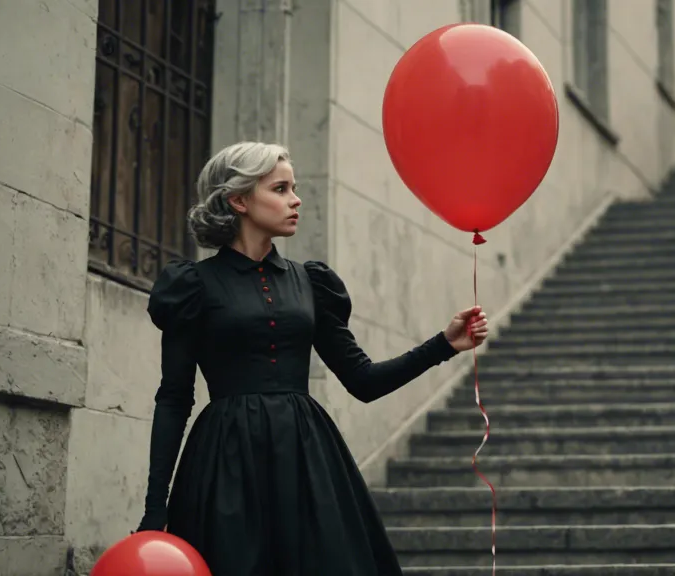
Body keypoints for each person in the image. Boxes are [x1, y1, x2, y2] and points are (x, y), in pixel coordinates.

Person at [135, 141, 489, 575]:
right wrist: (156, 505)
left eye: (294, 188)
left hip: (306, 462)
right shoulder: (192, 286)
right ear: (239, 200)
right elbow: (174, 398)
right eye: (280, 189)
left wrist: (443, 345)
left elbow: (363, 380)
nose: (296, 199)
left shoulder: (310, 283)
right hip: (224, 465)